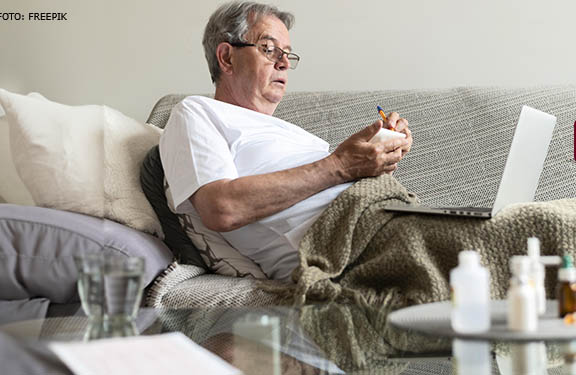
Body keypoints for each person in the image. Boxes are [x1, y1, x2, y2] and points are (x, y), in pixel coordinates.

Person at [158, 2, 412, 281]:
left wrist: (379, 155)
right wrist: (342, 164)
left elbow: (336, 174)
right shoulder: (196, 113)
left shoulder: (297, 135)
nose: (283, 63)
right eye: (269, 49)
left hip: (390, 212)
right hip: (343, 243)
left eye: (287, 55)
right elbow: (221, 208)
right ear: (227, 57)